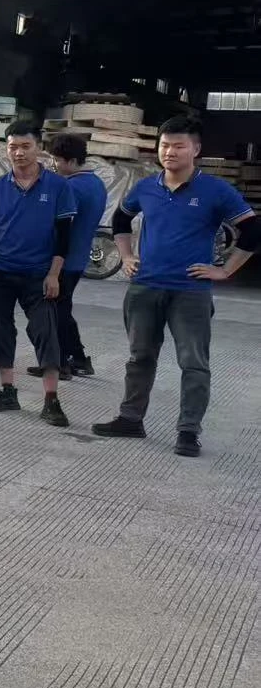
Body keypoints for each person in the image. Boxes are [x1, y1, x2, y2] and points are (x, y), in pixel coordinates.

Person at [93, 116, 258, 457]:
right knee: (139, 357)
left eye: (178, 146)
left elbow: (253, 231)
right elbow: (121, 218)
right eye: (165, 145)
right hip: (145, 287)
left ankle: (188, 431)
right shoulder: (146, 187)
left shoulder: (216, 190)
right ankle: (131, 419)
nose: (169, 152)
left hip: (190, 292)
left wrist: (225, 270)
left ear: (195, 149)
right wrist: (126, 256)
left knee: (193, 363)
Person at [0, 121, 75, 427]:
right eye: (12, 147)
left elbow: (64, 236)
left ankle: (51, 399)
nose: (18, 153)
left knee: (46, 332)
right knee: (0, 331)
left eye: (25, 146)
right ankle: (7, 391)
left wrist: (54, 274)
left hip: (39, 275)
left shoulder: (58, 187)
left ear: (39, 148)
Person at [38, 134, 105, 378]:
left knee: (54, 312)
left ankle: (61, 363)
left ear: (72, 161)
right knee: (61, 308)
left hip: (63, 259)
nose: (54, 165)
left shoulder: (72, 187)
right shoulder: (96, 183)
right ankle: (77, 358)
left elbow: (59, 225)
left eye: (57, 160)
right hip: (78, 256)